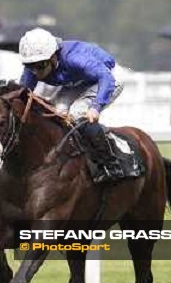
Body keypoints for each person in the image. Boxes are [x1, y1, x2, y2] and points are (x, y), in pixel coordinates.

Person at [18, 28, 125, 184]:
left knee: (77, 113)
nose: (35, 72)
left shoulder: (74, 59)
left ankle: (110, 164)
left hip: (108, 77)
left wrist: (96, 107)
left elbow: (105, 77)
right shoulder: (35, 67)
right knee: (54, 112)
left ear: (53, 56)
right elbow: (22, 92)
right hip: (78, 80)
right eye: (30, 66)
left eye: (39, 66)